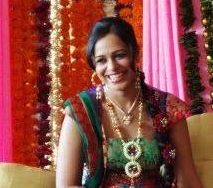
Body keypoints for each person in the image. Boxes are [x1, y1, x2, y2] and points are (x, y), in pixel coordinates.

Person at [56, 17, 202, 187]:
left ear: (134, 53)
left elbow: (187, 179)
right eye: (102, 60)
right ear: (94, 65)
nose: (112, 67)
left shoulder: (168, 108)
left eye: (120, 55)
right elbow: (65, 186)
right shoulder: (81, 110)